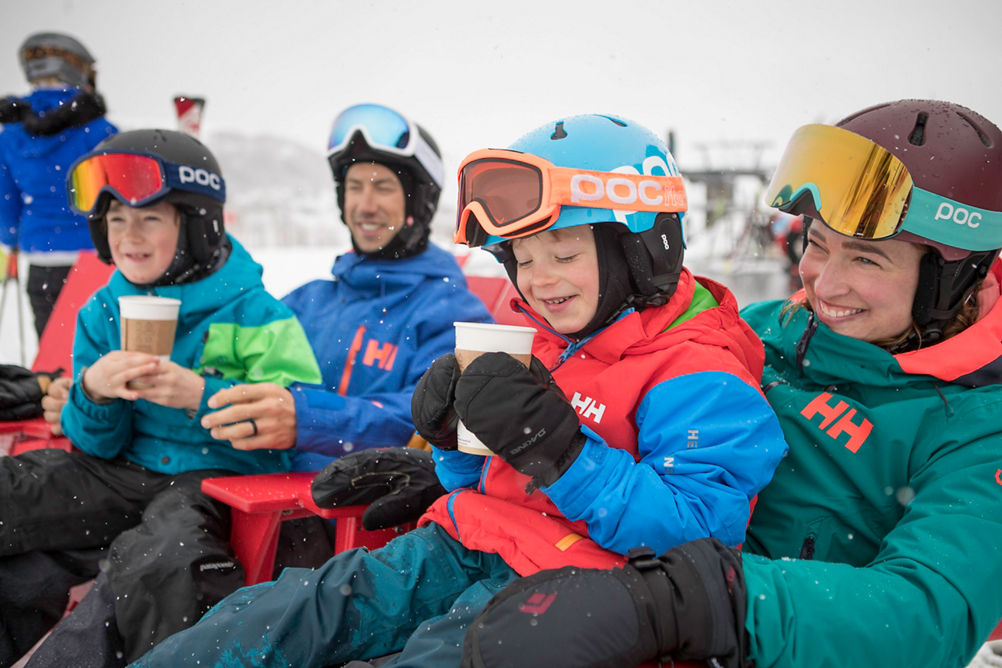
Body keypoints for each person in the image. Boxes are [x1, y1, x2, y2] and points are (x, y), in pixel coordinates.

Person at [130, 113, 789, 667]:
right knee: (282, 614)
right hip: (461, 543)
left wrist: (562, 454)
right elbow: (483, 482)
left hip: (569, 589)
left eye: (562, 252)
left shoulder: (701, 371)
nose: (538, 280)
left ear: (637, 247)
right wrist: (453, 440)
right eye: (522, 258)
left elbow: (697, 537)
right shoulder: (542, 330)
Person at [460, 99, 1002, 668]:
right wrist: (491, 456)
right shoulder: (762, 330)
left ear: (949, 276)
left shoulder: (977, 426)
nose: (826, 283)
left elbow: (925, 614)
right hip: (614, 592)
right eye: (816, 244)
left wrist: (693, 600)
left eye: (867, 260)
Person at [0, 128, 323, 667]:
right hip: (123, 472)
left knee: (167, 557)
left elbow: (287, 427)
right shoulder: (103, 312)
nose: (130, 234)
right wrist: (95, 393)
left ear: (196, 227)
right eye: (116, 219)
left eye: (149, 217)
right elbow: (95, 445)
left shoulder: (256, 315)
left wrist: (202, 395)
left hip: (216, 481)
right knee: (16, 490)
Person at [196, 102, 492, 476]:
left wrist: (308, 420)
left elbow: (430, 422)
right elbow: (233, 366)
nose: (365, 205)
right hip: (254, 490)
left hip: (357, 514)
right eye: (354, 187)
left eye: (382, 187)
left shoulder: (450, 312)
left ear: (418, 201)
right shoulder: (309, 300)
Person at [0, 31, 118, 338]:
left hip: (40, 257)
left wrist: (11, 238)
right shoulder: (100, 131)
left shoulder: (10, 135)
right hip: (94, 256)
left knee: (53, 352)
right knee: (99, 351)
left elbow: (6, 201)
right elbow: (117, 194)